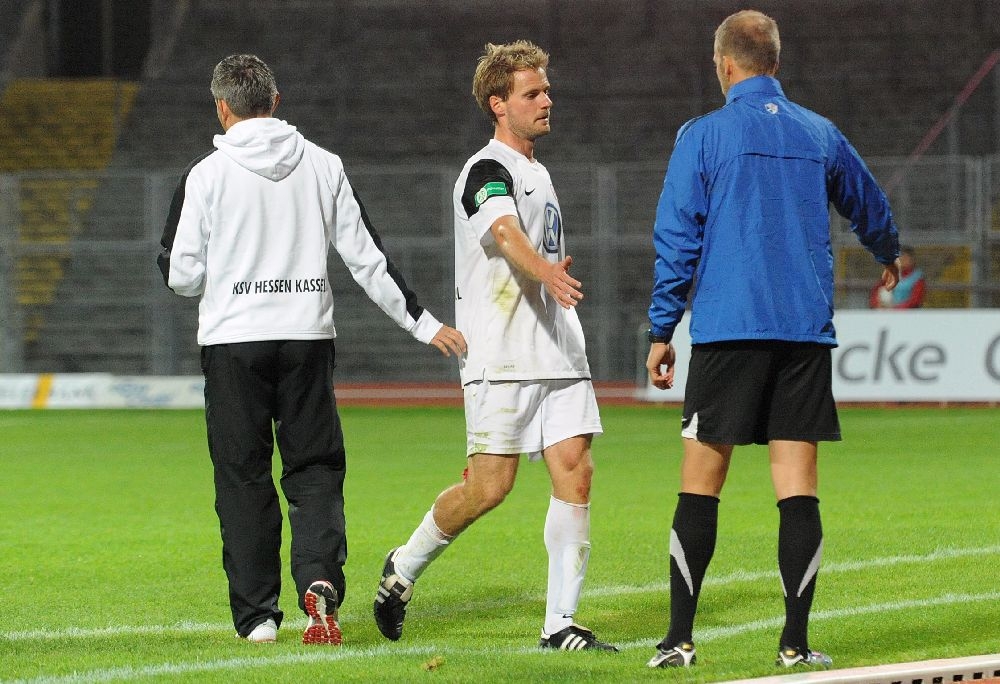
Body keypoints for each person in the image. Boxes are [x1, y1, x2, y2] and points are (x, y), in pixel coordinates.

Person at [156, 54, 466, 646]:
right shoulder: (323, 165)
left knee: (244, 478)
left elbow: (180, 275)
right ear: (275, 102)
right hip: (306, 340)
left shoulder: (206, 176)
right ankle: (319, 580)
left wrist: (227, 273)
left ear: (223, 109)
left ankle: (259, 619)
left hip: (232, 345)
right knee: (315, 469)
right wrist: (425, 324)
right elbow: (366, 259)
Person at [644, 11, 901, 670]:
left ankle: (678, 640)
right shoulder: (820, 133)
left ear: (725, 65)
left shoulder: (702, 136)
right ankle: (794, 643)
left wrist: (662, 327)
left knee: (701, 485)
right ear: (774, 64)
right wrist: (889, 252)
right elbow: (867, 201)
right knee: (798, 487)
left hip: (729, 329)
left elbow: (678, 234)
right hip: (801, 332)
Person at [372, 40, 617, 652]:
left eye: (546, 90)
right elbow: (504, 233)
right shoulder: (485, 171)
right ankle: (402, 568)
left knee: (576, 474)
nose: (545, 101)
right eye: (532, 93)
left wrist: (550, 277)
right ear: (498, 104)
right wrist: (548, 271)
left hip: (560, 353)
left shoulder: (539, 171)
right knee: (490, 488)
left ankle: (560, 624)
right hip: (503, 356)